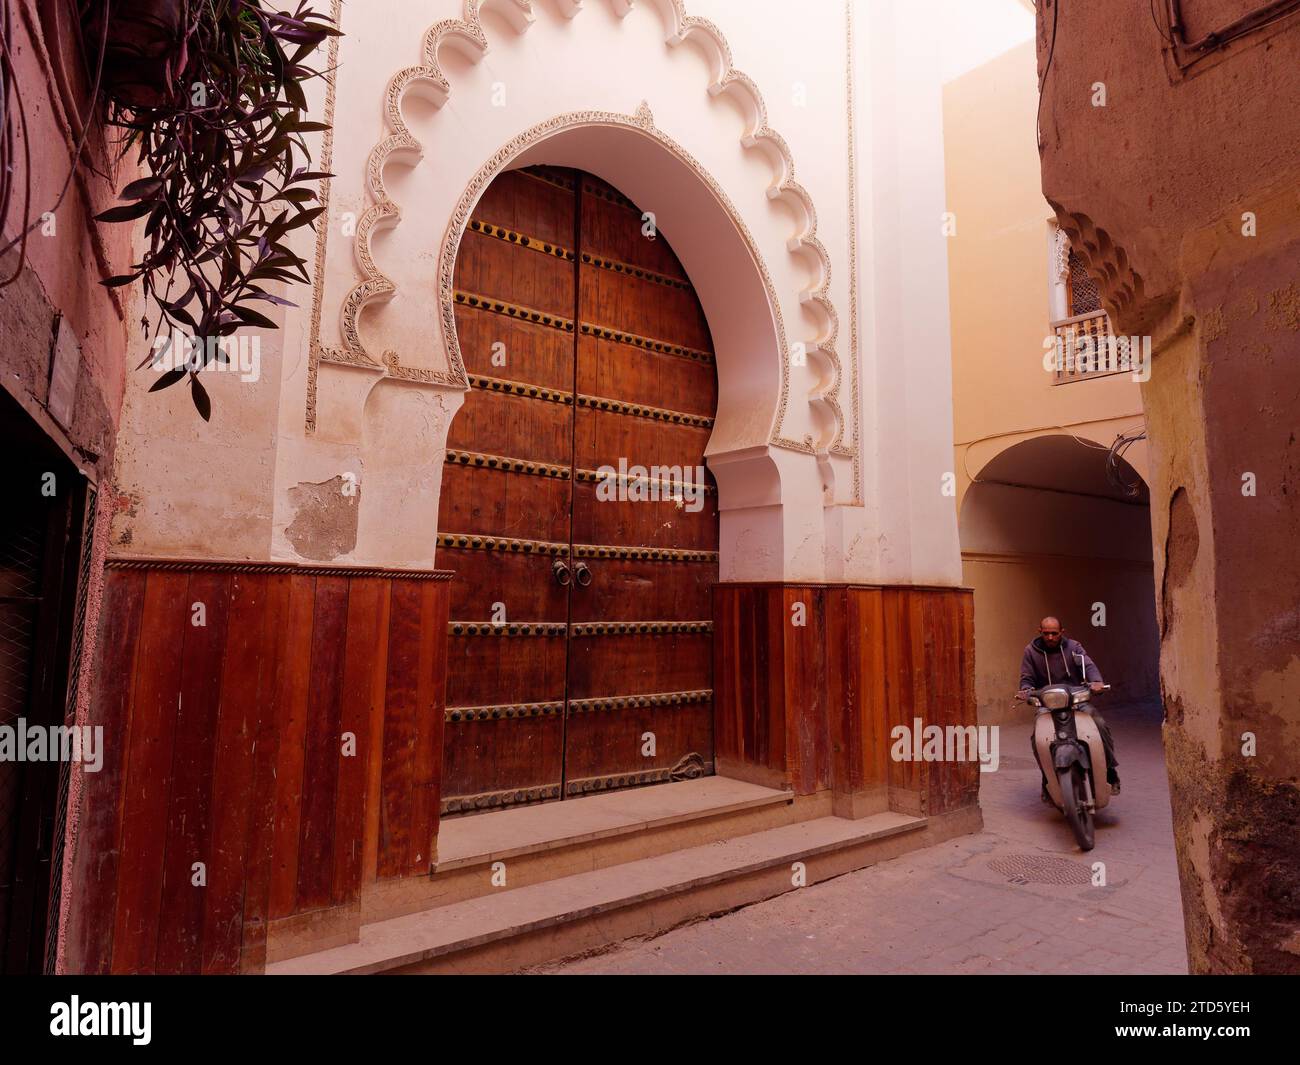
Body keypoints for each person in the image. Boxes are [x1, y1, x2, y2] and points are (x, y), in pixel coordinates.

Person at [1015, 616, 1120, 797]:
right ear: (1039, 632)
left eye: (1054, 634)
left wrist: (1096, 682)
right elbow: (1027, 678)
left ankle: (1110, 770)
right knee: (1038, 739)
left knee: (1099, 725)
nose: (1049, 637)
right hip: (1047, 703)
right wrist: (1025, 690)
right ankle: (1047, 778)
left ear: (1062, 633)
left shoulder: (1074, 647)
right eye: (1046, 633)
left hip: (1076, 701)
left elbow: (1088, 666)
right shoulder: (1030, 652)